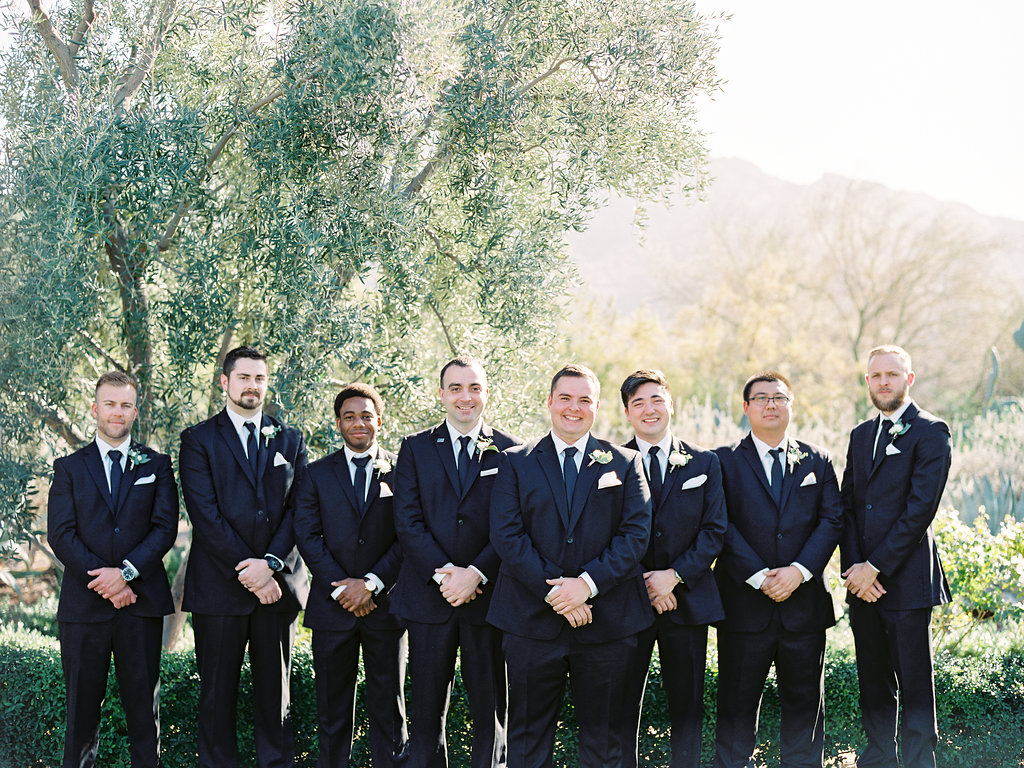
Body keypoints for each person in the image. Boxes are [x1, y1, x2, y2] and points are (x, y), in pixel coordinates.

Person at [488, 363, 653, 768]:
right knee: (526, 743)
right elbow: (507, 536)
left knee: (606, 745)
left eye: (584, 400)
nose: (573, 408)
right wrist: (558, 593)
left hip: (608, 622)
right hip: (530, 623)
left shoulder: (626, 462)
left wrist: (587, 585)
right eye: (565, 398)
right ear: (549, 402)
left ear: (596, 406)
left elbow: (635, 535)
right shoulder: (515, 462)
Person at [178, 345, 309, 768]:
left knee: (277, 696)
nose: (252, 386)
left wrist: (269, 565)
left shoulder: (289, 438)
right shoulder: (197, 440)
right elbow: (205, 514)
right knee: (217, 697)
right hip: (218, 590)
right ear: (225, 382)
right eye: (244, 378)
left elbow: (299, 511)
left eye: (259, 378)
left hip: (275, 592)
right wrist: (250, 571)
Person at [391, 356, 521, 768]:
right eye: (456, 388)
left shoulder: (512, 450)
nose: (466, 397)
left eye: (474, 388)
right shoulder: (415, 448)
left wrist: (476, 574)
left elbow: (512, 524)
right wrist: (446, 576)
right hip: (430, 599)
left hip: (488, 600)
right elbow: (407, 520)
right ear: (442, 394)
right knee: (427, 712)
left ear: (486, 392)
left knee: (491, 710)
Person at [47, 370, 178, 768]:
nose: (117, 412)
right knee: (81, 717)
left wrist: (126, 574)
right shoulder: (68, 468)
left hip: (141, 606)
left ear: (135, 411)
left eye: (125, 405)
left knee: (144, 717)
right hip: (84, 610)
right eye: (110, 403)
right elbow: (61, 534)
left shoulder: (157, 465)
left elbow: (164, 529)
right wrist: (106, 582)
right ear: (95, 408)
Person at [713, 371, 842, 768]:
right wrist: (759, 575)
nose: (772, 404)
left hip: (803, 608)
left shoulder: (817, 460)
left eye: (780, 398)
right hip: (742, 607)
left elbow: (832, 519)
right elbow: (719, 523)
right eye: (762, 398)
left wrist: (798, 571)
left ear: (791, 405)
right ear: (747, 407)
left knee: (805, 714)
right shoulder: (721, 461)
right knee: (735, 711)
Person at [840, 345, 951, 768]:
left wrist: (875, 567)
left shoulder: (931, 431)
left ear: (909, 378)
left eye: (892, 374)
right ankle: (878, 759)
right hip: (862, 584)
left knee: (915, 683)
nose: (883, 381)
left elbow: (920, 509)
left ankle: (920, 763)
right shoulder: (860, 435)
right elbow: (847, 506)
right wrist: (855, 570)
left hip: (905, 581)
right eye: (875, 375)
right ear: (867, 381)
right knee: (872, 682)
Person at [293, 382, 409, 767]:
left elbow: (408, 534)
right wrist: (344, 588)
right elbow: (307, 536)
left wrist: (372, 584)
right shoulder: (315, 474)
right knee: (332, 710)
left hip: (387, 606)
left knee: (389, 711)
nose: (358, 423)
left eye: (365, 416)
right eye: (349, 417)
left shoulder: (403, 471)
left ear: (380, 420)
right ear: (338, 423)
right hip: (332, 608)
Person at [618, 369, 726, 768]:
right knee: (624, 702)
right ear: (628, 413)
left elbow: (714, 530)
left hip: (688, 602)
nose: (649, 410)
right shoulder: (611, 463)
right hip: (629, 603)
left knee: (688, 704)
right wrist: (645, 583)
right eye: (638, 403)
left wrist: (673, 577)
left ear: (672, 404)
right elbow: (607, 535)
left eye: (656, 399)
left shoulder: (705, 462)